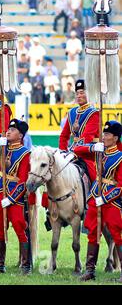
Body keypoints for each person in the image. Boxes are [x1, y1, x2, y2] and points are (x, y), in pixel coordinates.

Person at [74, 121, 122, 282]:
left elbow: (120, 186)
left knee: (117, 234)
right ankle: (90, 270)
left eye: (107, 135)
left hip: (112, 201)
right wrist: (93, 147)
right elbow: (76, 150)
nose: (103, 136)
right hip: (95, 197)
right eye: (103, 133)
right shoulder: (99, 152)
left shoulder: (120, 157)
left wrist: (106, 198)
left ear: (115, 138)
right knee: (92, 233)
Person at [0, 118, 32, 275]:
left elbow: (23, 181)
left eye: (12, 130)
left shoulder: (25, 153)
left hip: (14, 195)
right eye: (8, 129)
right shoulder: (2, 147)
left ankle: (26, 265)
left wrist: (11, 199)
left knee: (20, 226)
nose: (8, 131)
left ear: (20, 135)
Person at [59, 79, 99, 153]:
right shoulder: (72, 112)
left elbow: (87, 138)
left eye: (82, 93)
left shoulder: (94, 113)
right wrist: (62, 152)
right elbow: (64, 136)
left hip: (89, 152)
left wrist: (73, 151)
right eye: (77, 94)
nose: (79, 96)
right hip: (74, 149)